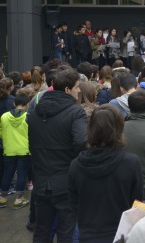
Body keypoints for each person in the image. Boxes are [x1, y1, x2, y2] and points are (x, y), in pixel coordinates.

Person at [27, 69, 88, 242]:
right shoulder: (76, 112)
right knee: (66, 231)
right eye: (77, 87)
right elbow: (82, 141)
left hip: (41, 179)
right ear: (67, 90)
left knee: (42, 230)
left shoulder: (35, 112)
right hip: (66, 181)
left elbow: (32, 142)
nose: (80, 90)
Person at [69, 104, 143, 243]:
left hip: (87, 234)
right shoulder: (131, 163)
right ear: (119, 128)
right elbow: (136, 204)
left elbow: (74, 204)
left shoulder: (75, 165)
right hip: (120, 235)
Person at [0, 93, 31, 209]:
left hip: (9, 150)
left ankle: (2, 198)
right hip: (24, 150)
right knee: (22, 174)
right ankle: (18, 199)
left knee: (7, 173)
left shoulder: (4, 116)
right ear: (27, 104)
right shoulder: (28, 116)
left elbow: (1, 132)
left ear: (14, 103)